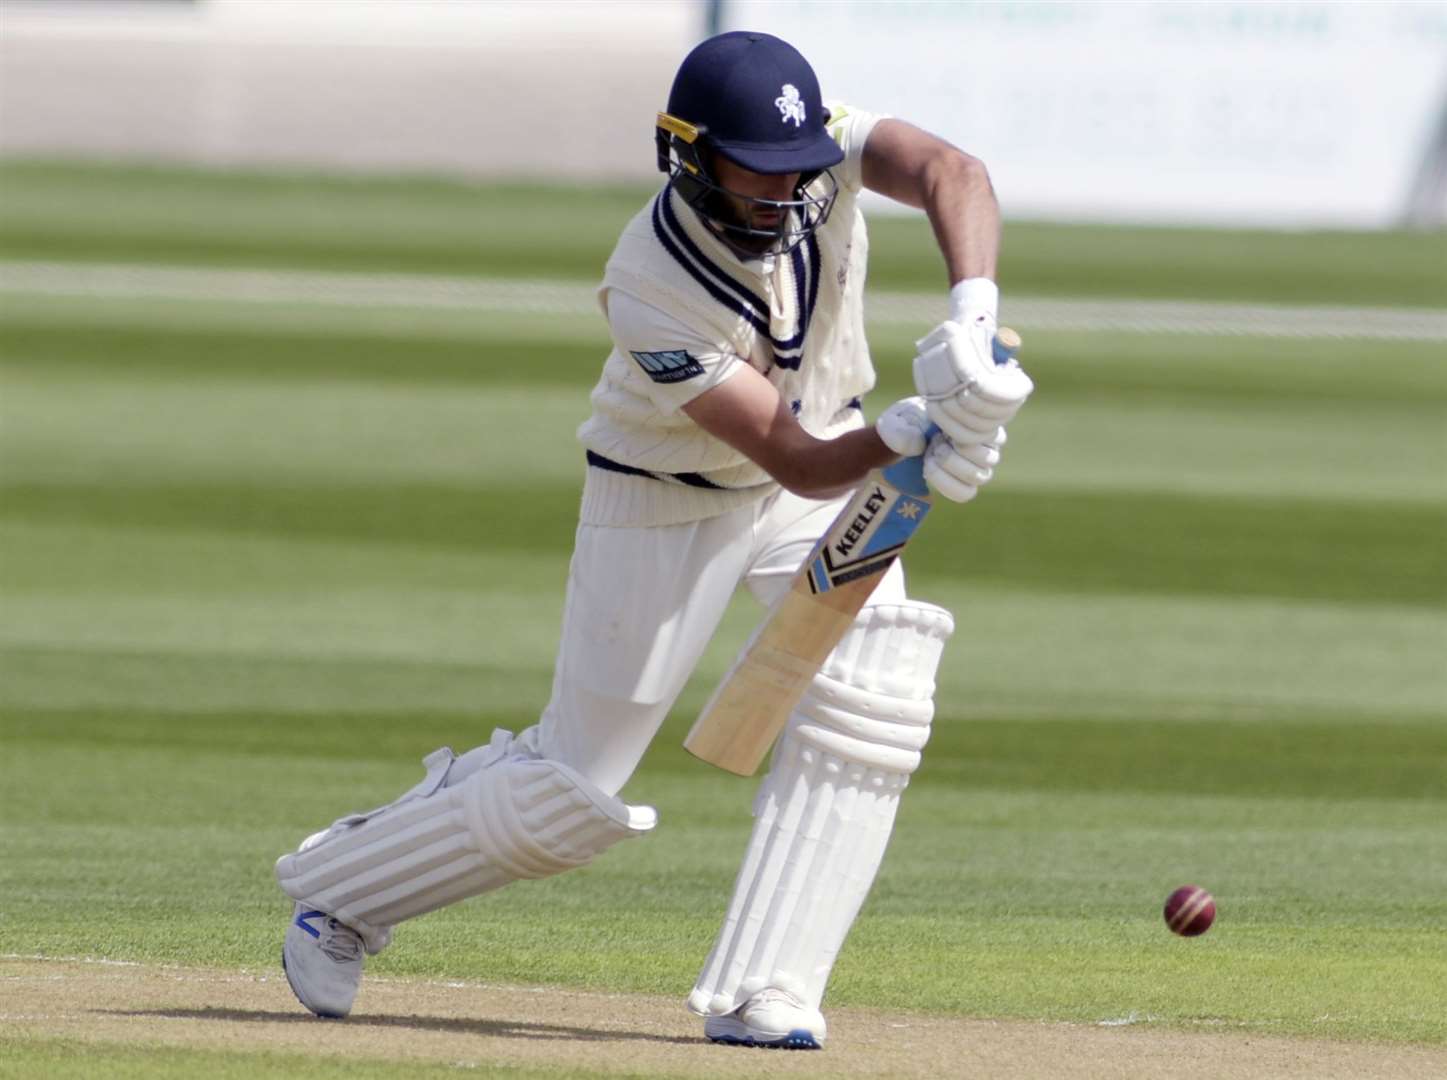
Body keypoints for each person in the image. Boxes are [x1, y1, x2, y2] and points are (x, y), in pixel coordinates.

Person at [273, 30, 1033, 1050]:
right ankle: (343, 894)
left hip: (814, 476)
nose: (781, 198)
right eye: (753, 177)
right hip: (668, 497)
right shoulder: (648, 285)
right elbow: (798, 459)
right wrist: (909, 433)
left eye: (795, 177)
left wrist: (971, 323)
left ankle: (770, 989)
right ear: (687, 154)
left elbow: (954, 171)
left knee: (877, 690)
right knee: (570, 793)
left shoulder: (817, 152)